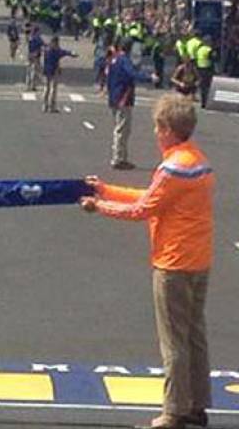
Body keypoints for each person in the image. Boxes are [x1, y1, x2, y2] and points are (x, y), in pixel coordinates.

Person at [80, 94, 213, 429]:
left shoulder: (172, 168)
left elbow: (143, 209)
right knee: (195, 335)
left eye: (157, 127)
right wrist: (106, 189)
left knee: (173, 342)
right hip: (199, 261)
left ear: (167, 129)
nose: (155, 133)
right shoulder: (197, 160)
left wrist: (100, 206)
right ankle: (197, 404)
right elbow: (153, 197)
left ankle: (173, 412)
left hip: (173, 263)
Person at [107, 38, 157, 170]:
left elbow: (109, 77)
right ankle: (118, 158)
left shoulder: (114, 59)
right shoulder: (124, 60)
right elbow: (132, 74)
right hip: (123, 97)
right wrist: (149, 77)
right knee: (122, 129)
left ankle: (121, 157)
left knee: (120, 128)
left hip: (114, 96)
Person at [41, 36, 78, 113]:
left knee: (46, 88)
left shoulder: (47, 50)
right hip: (53, 70)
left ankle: (45, 105)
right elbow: (65, 52)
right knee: (53, 89)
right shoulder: (56, 51)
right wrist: (72, 54)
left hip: (46, 70)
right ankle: (52, 106)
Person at [25, 26, 44, 92]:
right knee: (34, 71)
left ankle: (27, 85)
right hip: (36, 56)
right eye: (39, 31)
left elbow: (29, 45)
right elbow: (43, 44)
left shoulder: (31, 37)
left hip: (30, 55)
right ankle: (33, 86)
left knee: (29, 70)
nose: (40, 33)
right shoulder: (38, 38)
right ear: (37, 31)